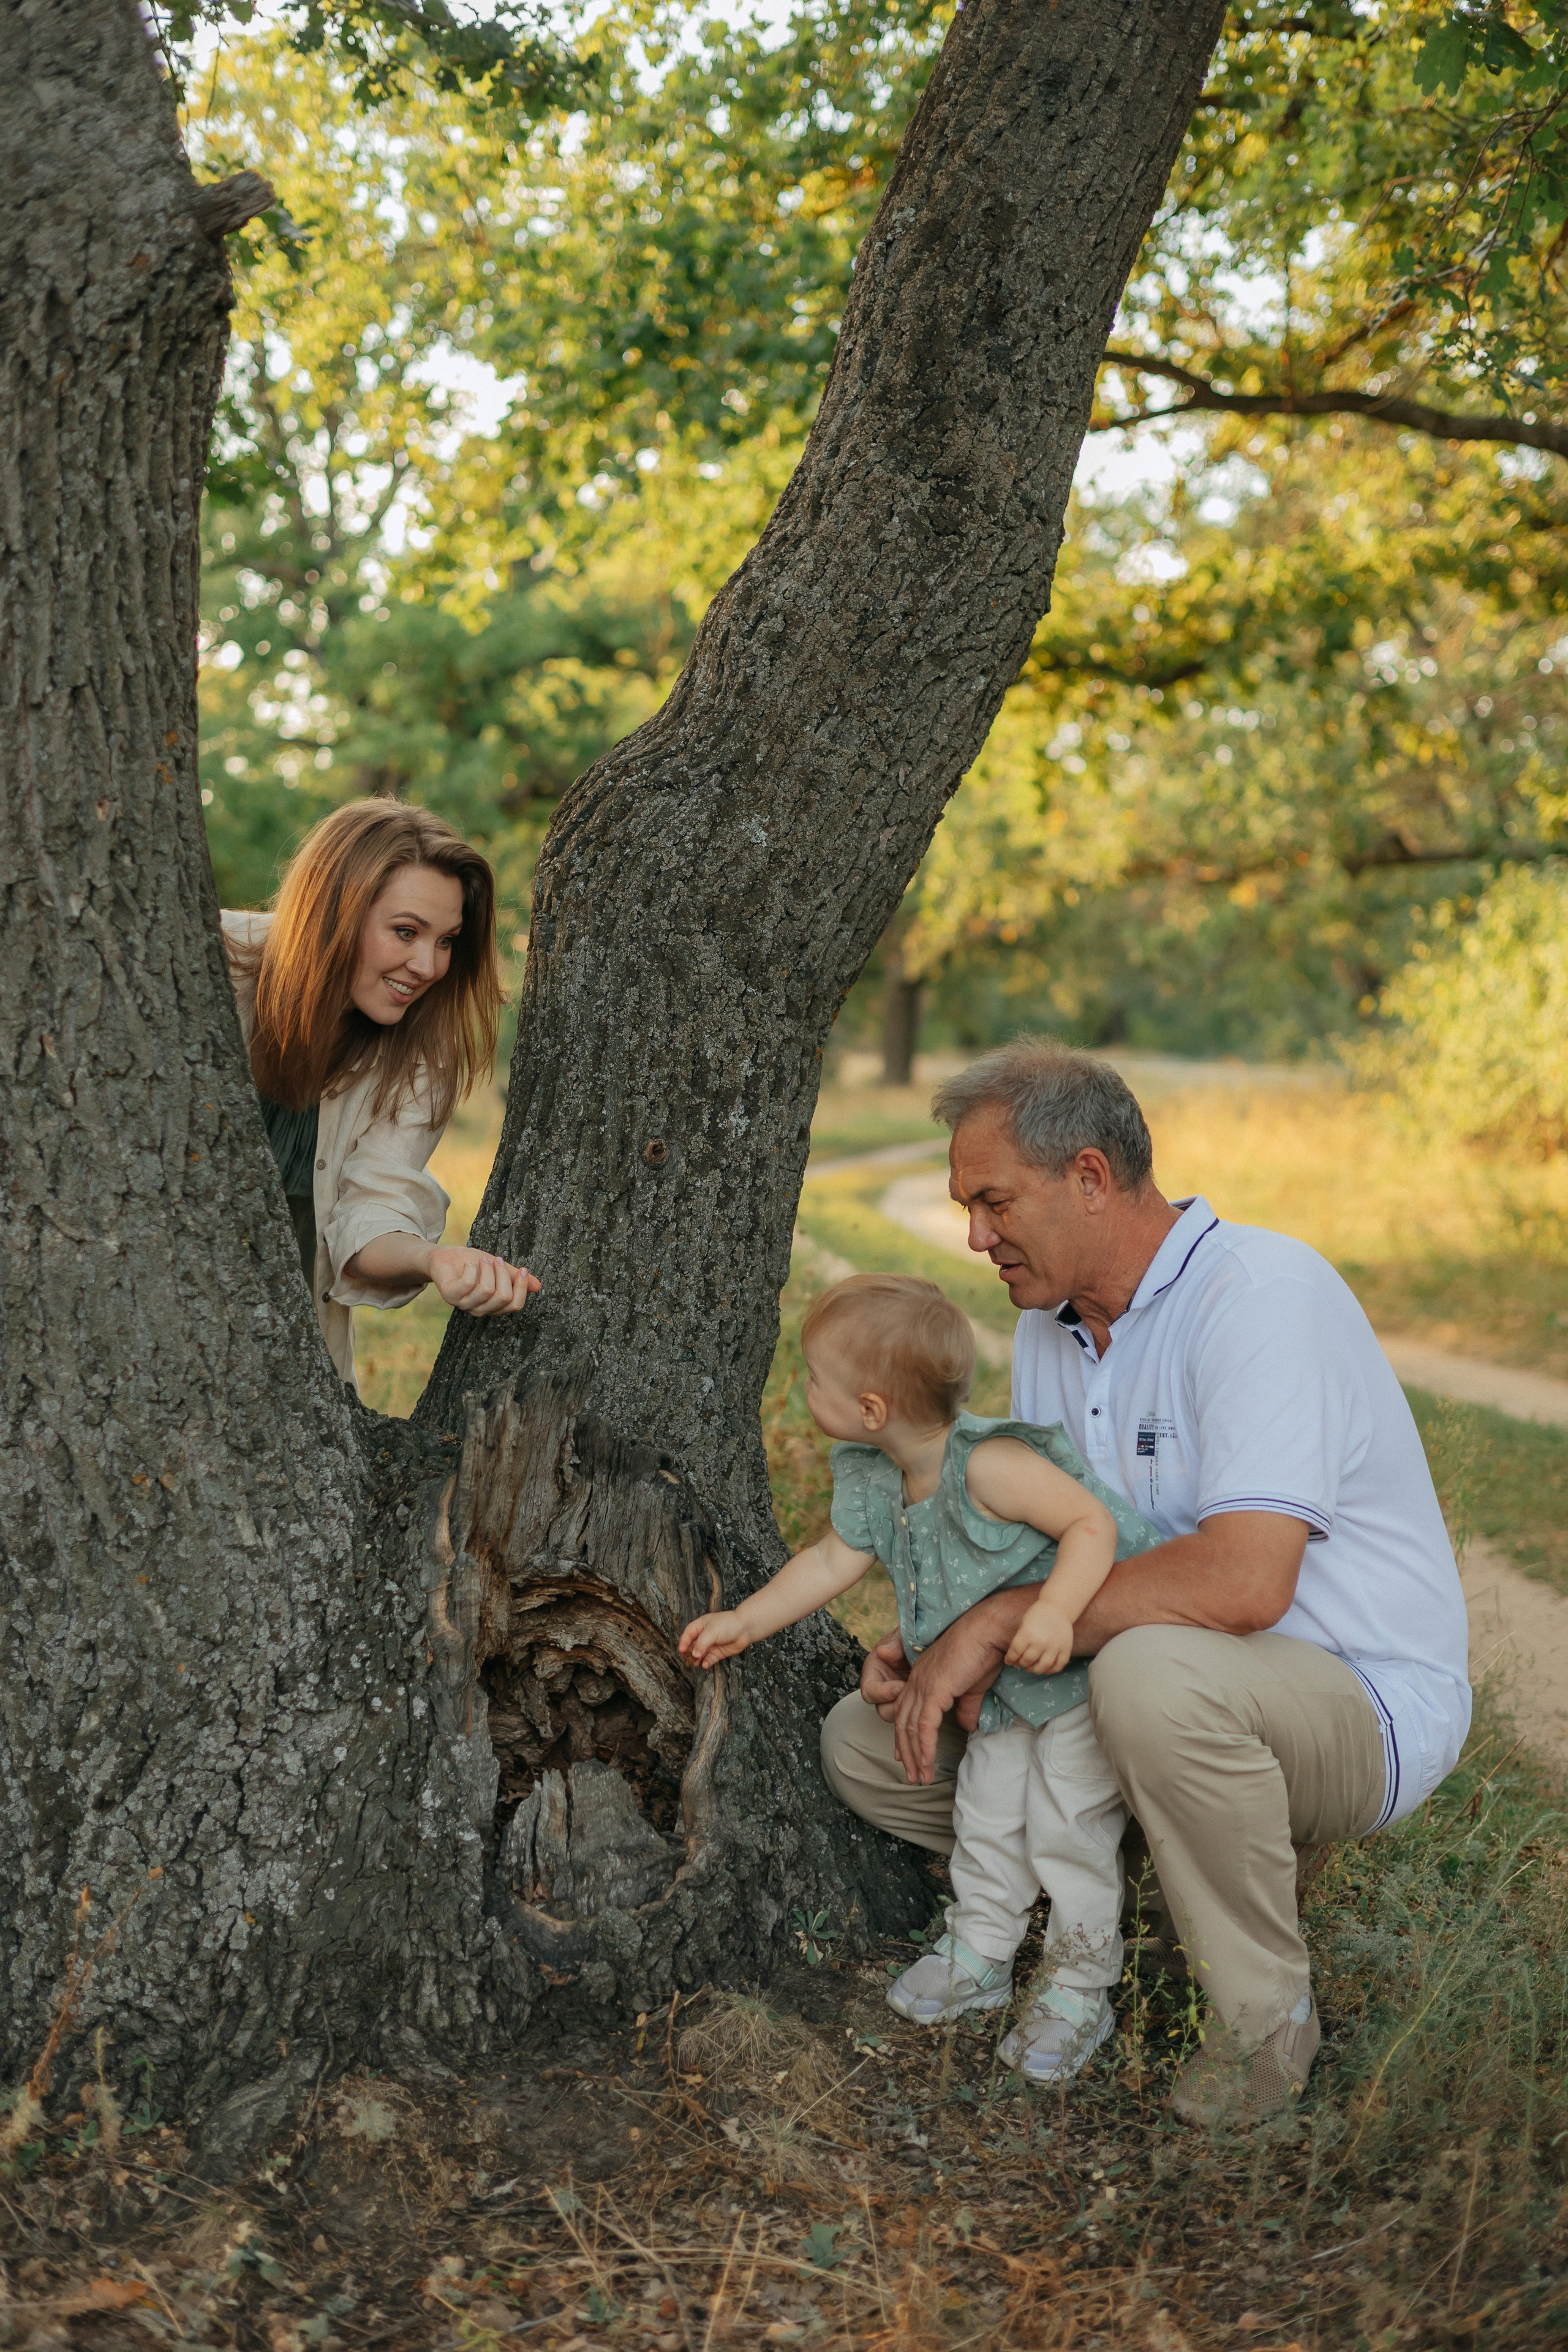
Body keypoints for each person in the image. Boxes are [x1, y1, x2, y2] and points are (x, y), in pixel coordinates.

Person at [819, 1041, 1472, 2126]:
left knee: (1153, 1682)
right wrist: (942, 1637)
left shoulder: (1261, 1295)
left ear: (1089, 1177)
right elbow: (1046, 1549)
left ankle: (1265, 2021)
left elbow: (1248, 1582)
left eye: (994, 1202)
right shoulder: (1047, 1330)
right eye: (966, 1208)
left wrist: (1003, 1624)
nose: (974, 1237)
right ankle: (1124, 1912)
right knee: (866, 1742)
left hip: (1352, 1695)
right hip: (1137, 1683)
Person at [680, 1272, 1162, 2083]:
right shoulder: (877, 1474)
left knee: (1067, 1828)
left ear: (872, 1408)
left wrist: (1054, 1612)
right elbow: (829, 1562)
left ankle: (1080, 1987)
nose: (804, 1388)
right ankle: (981, 1951)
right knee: (987, 1816)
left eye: (816, 1379)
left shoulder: (991, 1464)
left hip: (1076, 1676)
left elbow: (1090, 1524)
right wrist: (746, 1621)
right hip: (1002, 1692)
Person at [222, 799, 539, 1392]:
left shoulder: (421, 1057)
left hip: (284, 1367)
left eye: (446, 941)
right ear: (334, 912)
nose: (428, 966)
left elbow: (371, 1210)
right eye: (406, 932)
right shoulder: (215, 960)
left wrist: (434, 1260)